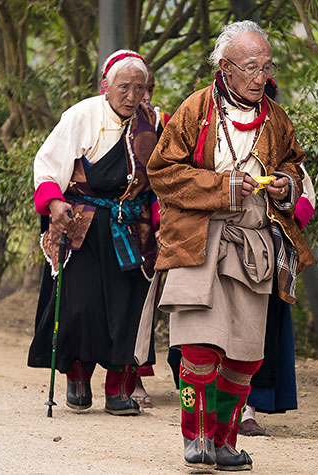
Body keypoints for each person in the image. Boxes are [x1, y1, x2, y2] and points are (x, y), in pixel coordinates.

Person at [143, 20, 315, 471]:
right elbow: (161, 171)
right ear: (226, 67)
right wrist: (221, 187)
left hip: (252, 248)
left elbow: (295, 167)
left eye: (267, 67)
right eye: (252, 67)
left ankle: (224, 441)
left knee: (243, 353)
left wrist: (285, 185)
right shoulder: (196, 108)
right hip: (197, 239)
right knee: (199, 345)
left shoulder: (276, 119)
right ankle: (195, 437)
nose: (262, 77)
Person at [27, 49, 159, 417]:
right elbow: (48, 166)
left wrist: (163, 217)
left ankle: (118, 390)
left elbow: (162, 180)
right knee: (81, 306)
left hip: (132, 228)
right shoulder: (81, 115)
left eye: (139, 87)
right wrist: (54, 204)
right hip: (81, 225)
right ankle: (77, 377)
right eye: (124, 87)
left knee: (127, 308)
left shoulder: (153, 123)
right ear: (106, 86)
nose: (132, 96)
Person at [240, 162, 316, 436]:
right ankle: (211, 403)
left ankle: (248, 410)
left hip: (268, 249)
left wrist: (287, 220)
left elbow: (307, 194)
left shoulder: (280, 142)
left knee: (262, 328)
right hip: (221, 239)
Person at [131, 66, 172, 409]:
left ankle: (138, 373)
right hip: (112, 217)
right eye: (131, 89)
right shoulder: (104, 118)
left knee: (145, 297)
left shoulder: (161, 122)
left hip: (150, 221)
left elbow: (168, 175)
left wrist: (161, 218)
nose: (139, 97)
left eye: (145, 89)